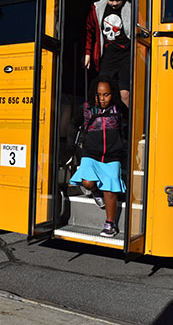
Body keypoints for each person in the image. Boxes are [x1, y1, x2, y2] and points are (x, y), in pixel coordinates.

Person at [67, 76, 126, 238]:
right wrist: (70, 146)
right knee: (87, 182)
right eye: (98, 95)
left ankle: (110, 224)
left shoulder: (118, 109)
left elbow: (133, 122)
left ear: (112, 94)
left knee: (110, 188)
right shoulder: (85, 109)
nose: (102, 99)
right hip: (90, 154)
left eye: (106, 94)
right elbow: (73, 124)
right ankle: (95, 192)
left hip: (112, 155)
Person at [84, 0, 131, 108]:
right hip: (107, 55)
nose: (114, 3)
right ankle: (102, 121)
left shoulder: (130, 8)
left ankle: (124, 123)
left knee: (124, 93)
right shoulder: (98, 8)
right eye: (111, 0)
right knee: (102, 90)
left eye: (118, 0)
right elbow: (90, 30)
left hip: (126, 54)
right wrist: (88, 53)